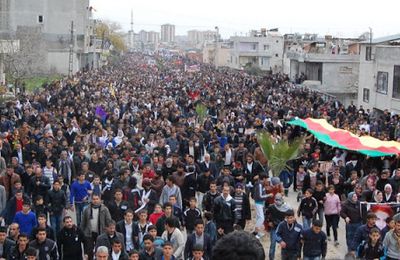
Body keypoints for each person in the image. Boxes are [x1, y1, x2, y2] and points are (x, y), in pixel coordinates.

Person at [80, 193, 112, 260]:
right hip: (89, 233)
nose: (95, 201)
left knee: (100, 250)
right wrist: (81, 232)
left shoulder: (105, 209)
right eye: (94, 199)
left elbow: (109, 221)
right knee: (89, 251)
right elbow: (83, 222)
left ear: (100, 200)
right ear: (91, 200)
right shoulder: (87, 209)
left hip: (101, 232)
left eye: (97, 199)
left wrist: (108, 230)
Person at [265, 193, 292, 260]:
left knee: (285, 245)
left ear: (282, 199)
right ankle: (271, 258)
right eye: (276, 199)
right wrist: (268, 222)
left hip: (284, 229)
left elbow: (291, 217)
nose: (277, 201)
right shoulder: (271, 207)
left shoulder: (287, 207)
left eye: (279, 199)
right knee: (273, 245)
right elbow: (266, 214)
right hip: (274, 227)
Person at [252, 174, 271, 238]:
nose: (267, 181)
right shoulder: (259, 185)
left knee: (258, 218)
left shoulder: (261, 185)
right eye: (267, 179)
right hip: (258, 203)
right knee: (261, 218)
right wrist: (268, 195)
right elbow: (259, 196)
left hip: (261, 203)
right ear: (264, 179)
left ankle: (258, 232)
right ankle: (255, 232)